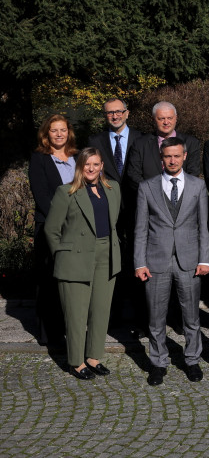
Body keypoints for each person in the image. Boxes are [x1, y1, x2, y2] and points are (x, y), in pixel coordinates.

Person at [133, 137, 209, 386]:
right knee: (156, 318)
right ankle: (158, 363)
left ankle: (192, 360)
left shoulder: (198, 186)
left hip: (189, 260)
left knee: (191, 317)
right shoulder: (147, 187)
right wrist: (139, 263)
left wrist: (205, 259)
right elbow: (140, 229)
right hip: (156, 261)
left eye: (177, 156)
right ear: (161, 158)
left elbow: (203, 227)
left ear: (185, 156)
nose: (173, 160)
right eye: (168, 156)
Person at [43, 147, 121, 379]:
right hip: (75, 258)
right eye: (87, 164)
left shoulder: (113, 189)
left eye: (95, 164)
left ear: (101, 166)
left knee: (100, 310)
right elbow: (51, 229)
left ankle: (94, 357)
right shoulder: (66, 192)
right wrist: (64, 255)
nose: (91, 168)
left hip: (106, 255)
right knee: (76, 314)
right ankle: (76, 362)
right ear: (80, 166)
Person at [88, 98, 145, 326]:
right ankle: (113, 314)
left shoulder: (142, 139)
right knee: (111, 261)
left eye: (118, 112)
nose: (115, 116)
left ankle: (141, 317)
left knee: (137, 259)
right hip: (108, 208)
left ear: (127, 113)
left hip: (137, 207)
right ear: (105, 115)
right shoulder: (95, 141)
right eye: (110, 113)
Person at [28, 114, 78, 346]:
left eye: (63, 130)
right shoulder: (39, 159)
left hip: (77, 227)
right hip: (51, 226)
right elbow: (42, 196)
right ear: (46, 134)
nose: (59, 134)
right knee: (49, 280)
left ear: (69, 132)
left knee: (71, 280)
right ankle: (50, 334)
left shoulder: (77, 157)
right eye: (54, 130)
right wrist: (62, 220)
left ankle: (72, 328)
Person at [126, 101, 202, 190]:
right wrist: (151, 194)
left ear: (176, 118)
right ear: (154, 119)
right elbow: (133, 174)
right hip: (149, 198)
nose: (166, 122)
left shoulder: (191, 143)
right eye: (161, 118)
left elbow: (193, 173)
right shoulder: (140, 144)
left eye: (170, 118)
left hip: (181, 199)